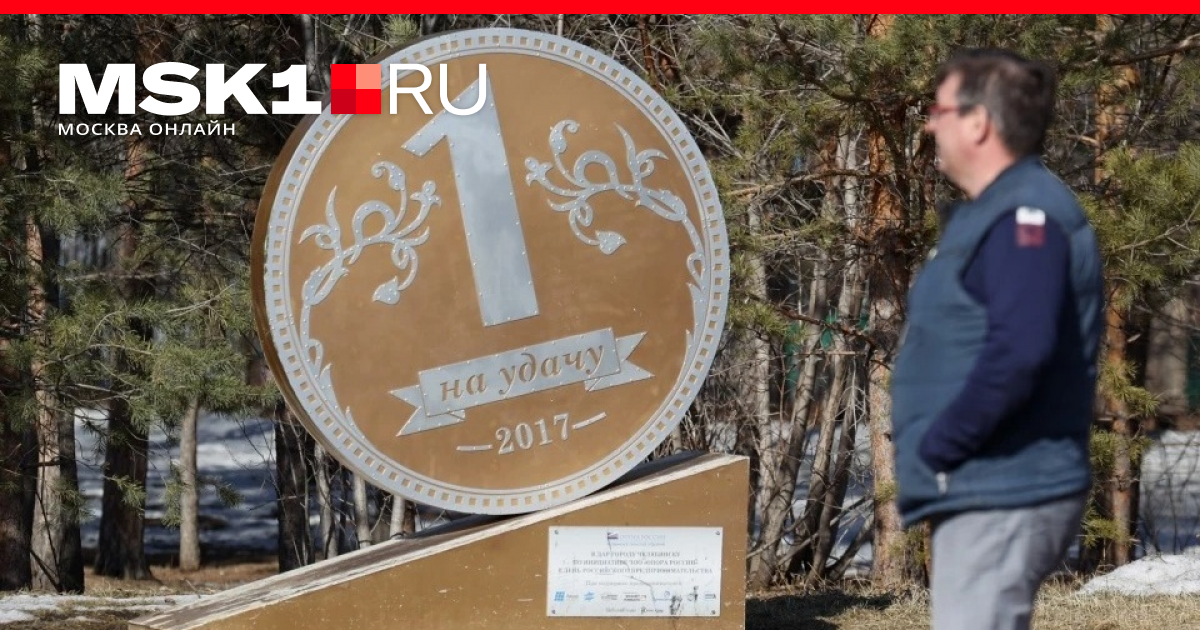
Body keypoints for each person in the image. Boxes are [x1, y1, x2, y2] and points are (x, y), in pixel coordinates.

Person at [890, 49, 1105, 630]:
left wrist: (942, 445)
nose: (929, 125)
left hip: (1001, 485)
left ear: (979, 122)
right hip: (988, 482)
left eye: (939, 111)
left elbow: (1021, 349)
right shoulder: (1000, 214)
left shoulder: (1024, 217)